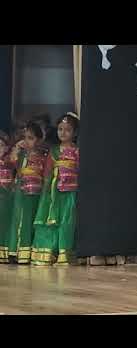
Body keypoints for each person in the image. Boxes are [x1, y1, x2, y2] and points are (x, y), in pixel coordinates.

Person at [31, 113, 80, 266]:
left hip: (71, 192)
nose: (63, 133)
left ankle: (65, 253)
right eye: (60, 129)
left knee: (68, 221)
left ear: (75, 133)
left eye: (67, 130)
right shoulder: (54, 151)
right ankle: (47, 253)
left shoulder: (78, 150)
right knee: (51, 221)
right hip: (54, 192)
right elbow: (47, 171)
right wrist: (46, 191)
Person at [5, 121, 48, 264]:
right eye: (25, 137)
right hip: (21, 191)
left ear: (39, 139)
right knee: (19, 219)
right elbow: (12, 163)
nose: (27, 141)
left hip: (36, 193)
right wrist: (16, 148)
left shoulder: (43, 156)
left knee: (31, 221)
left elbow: (45, 175)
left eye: (31, 138)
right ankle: (14, 252)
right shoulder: (22, 155)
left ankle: (28, 252)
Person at [0, 131, 14, 263]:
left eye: (1, 146)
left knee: (4, 224)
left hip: (6, 199)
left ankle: (4, 252)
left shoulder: (10, 161)